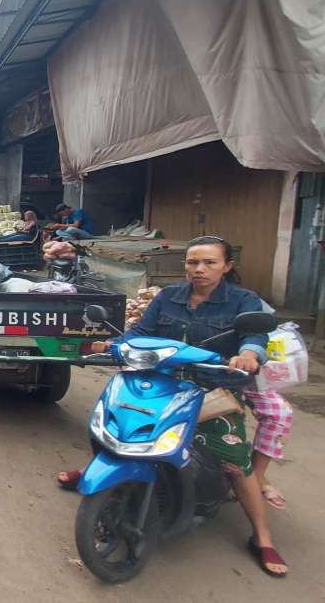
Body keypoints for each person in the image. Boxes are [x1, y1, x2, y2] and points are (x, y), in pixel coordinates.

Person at [55, 236, 288, 577]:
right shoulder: (168, 296)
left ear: (227, 266)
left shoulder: (242, 300)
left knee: (235, 462)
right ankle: (102, 470)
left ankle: (262, 536)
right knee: (119, 423)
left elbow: (255, 337)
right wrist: (113, 344)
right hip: (161, 379)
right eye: (193, 262)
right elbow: (141, 330)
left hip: (212, 386)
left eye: (209, 262)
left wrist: (249, 355)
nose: (199, 269)